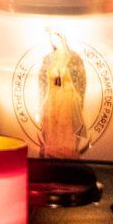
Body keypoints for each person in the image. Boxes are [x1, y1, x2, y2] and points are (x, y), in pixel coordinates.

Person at [37, 29, 90, 158]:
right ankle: (52, 148)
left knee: (66, 122)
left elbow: (80, 78)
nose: (55, 41)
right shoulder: (49, 58)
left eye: (57, 38)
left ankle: (67, 149)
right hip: (52, 96)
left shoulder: (73, 58)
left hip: (68, 96)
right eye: (52, 39)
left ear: (63, 39)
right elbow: (42, 77)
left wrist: (76, 93)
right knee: (52, 123)